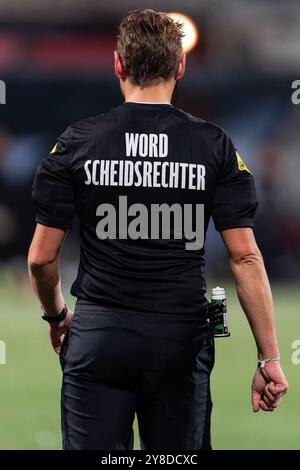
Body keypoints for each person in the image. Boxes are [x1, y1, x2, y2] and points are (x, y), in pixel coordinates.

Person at [28, 9, 288, 450]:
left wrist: (56, 317)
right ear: (181, 66)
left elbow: (40, 257)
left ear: (118, 64)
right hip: (179, 340)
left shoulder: (77, 141)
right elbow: (245, 257)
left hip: (98, 334)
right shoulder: (214, 145)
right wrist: (269, 356)